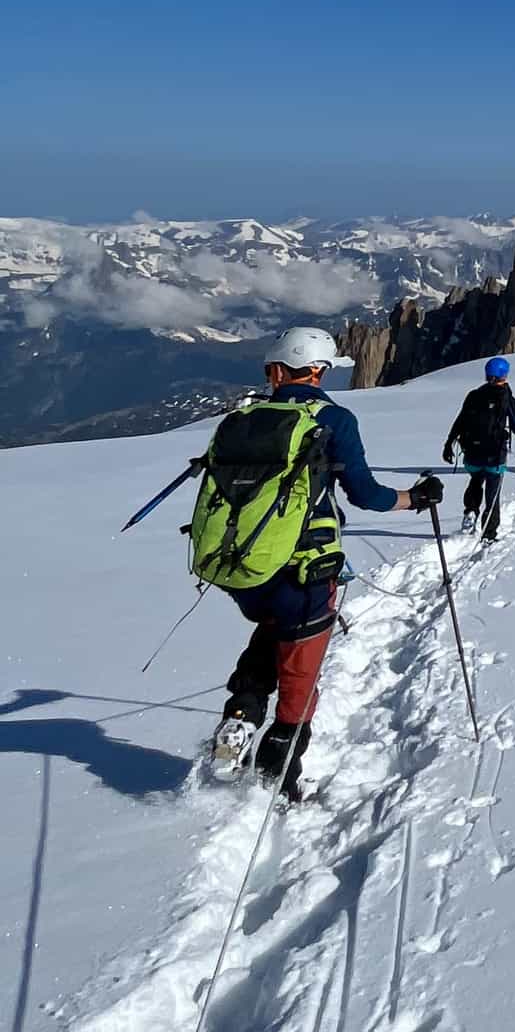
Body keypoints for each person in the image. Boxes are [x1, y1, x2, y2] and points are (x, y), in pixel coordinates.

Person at [199, 327, 440, 800]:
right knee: (300, 671)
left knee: (270, 632)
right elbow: (366, 495)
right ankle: (278, 777)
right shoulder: (334, 420)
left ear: (275, 370)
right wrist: (415, 498)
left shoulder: (242, 418)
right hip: (306, 569)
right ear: (318, 370)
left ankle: (241, 714)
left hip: (245, 569)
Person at [442, 356, 515, 543]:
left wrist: (448, 444)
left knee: (476, 480)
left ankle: (470, 511)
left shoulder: (474, 395)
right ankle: (489, 534)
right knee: (493, 493)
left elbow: (460, 421)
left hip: (472, 454)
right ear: (504, 375)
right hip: (495, 456)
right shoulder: (507, 398)